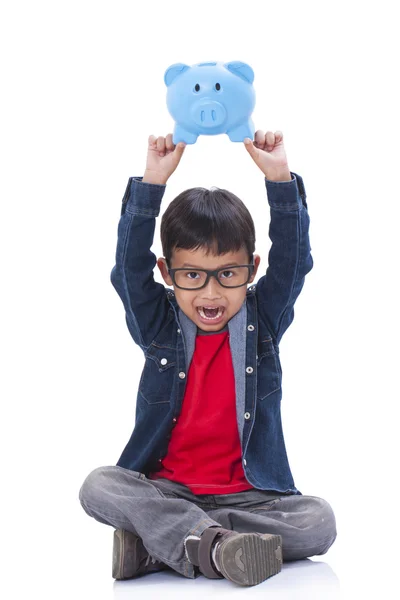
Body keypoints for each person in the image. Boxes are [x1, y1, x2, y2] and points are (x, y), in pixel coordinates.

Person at [79, 130, 337, 587]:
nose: (212, 292)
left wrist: (279, 178)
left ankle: (164, 545)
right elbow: (127, 270)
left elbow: (295, 262)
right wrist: (152, 183)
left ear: (251, 270)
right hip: (168, 492)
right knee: (99, 485)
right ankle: (214, 546)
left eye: (228, 275)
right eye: (193, 275)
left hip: (250, 499)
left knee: (319, 521)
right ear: (167, 273)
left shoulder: (263, 321)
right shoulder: (159, 325)